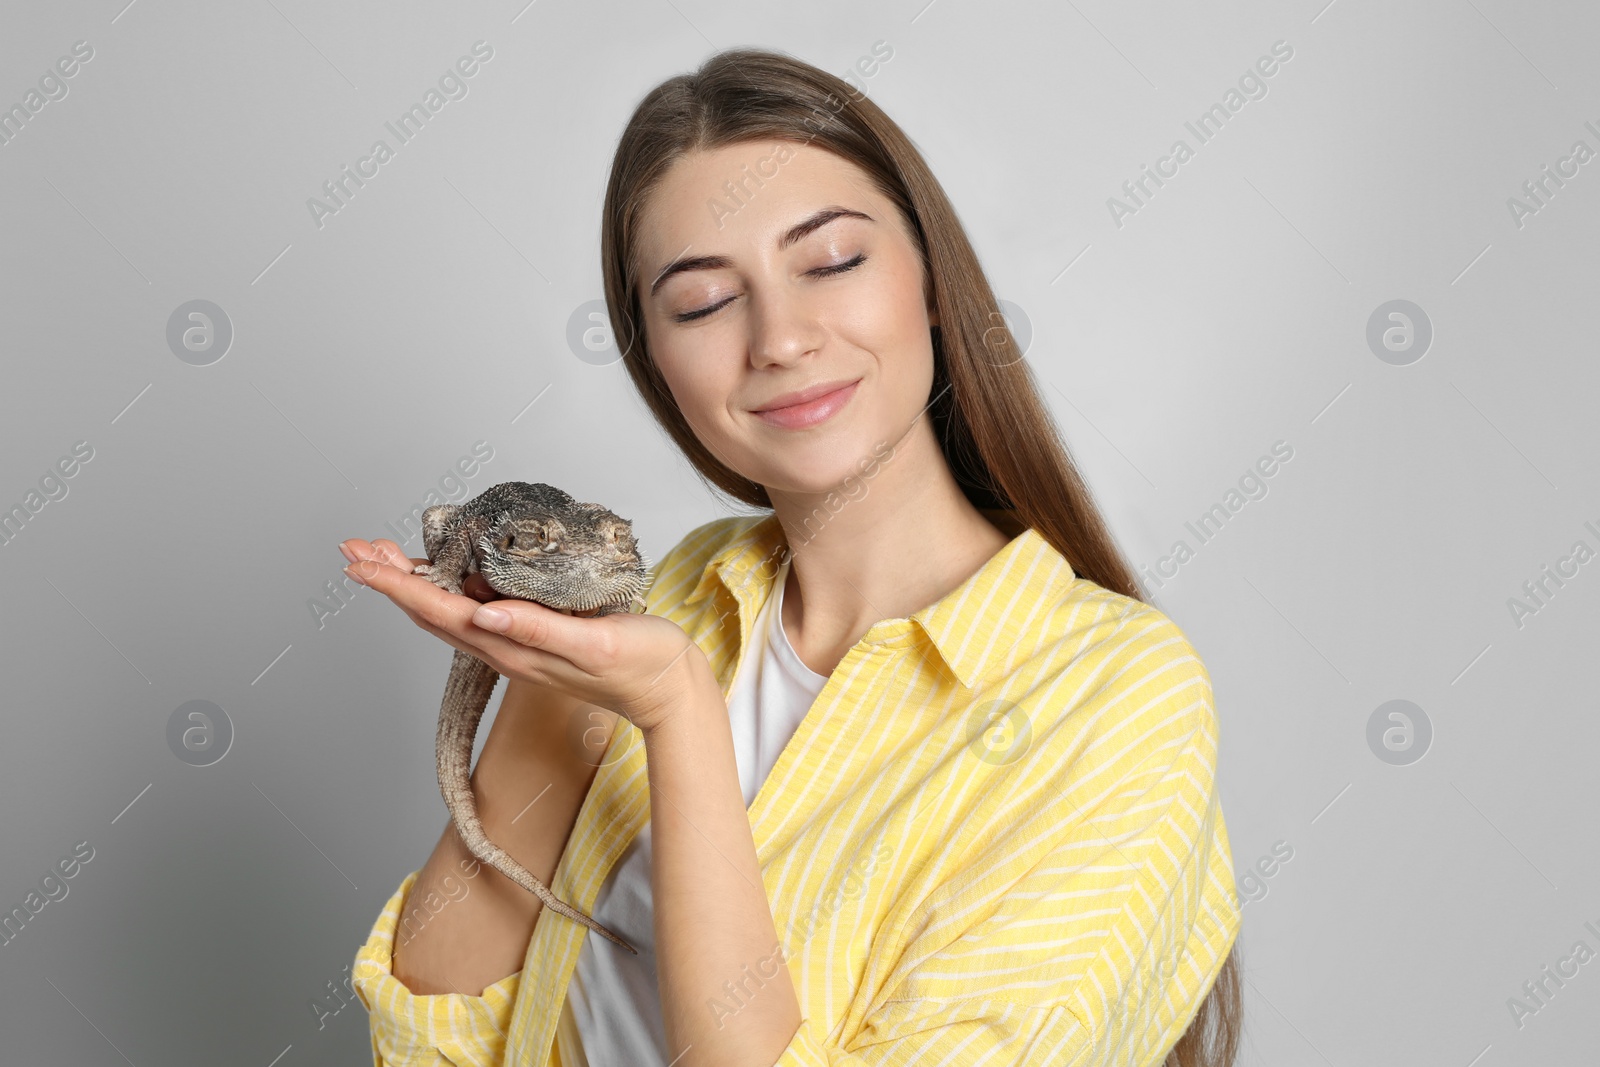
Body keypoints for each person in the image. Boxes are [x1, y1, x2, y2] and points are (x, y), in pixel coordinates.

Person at [337, 46, 1242, 1067]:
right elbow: (430, 1035)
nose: (779, 337)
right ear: (654, 363)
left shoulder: (1114, 696)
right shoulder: (675, 593)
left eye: (831, 261)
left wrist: (677, 711)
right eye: (702, 302)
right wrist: (544, 658)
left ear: (933, 282)